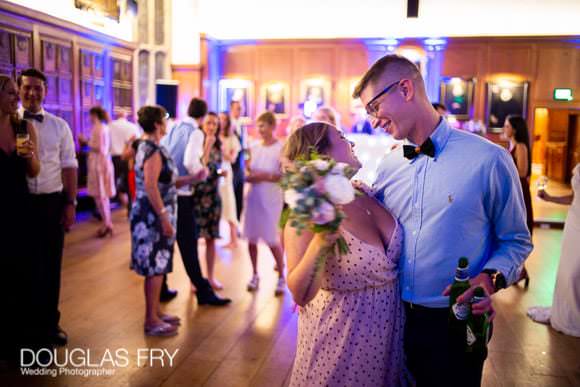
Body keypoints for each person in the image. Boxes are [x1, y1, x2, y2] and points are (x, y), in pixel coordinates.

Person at [353, 54, 532, 386]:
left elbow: (517, 240)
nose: (374, 121)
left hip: (458, 319)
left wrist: (490, 278)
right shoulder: (389, 166)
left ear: (405, 88)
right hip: (392, 317)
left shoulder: (489, 160)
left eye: (374, 107)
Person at [284, 122, 408, 386]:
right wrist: (319, 242)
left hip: (384, 344)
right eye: (341, 137)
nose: (350, 142)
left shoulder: (366, 192)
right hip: (337, 346)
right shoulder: (309, 211)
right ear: (322, 155)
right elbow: (300, 293)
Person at [130, 105, 204, 336]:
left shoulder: (149, 146)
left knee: (158, 267)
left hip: (154, 212)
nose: (167, 123)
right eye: (164, 119)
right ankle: (151, 320)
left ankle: (156, 312)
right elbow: (151, 186)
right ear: (156, 124)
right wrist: (164, 218)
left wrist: (193, 178)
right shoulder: (151, 149)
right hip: (152, 215)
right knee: (155, 266)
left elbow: (167, 183)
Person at [18, 68, 79, 347]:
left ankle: (50, 324)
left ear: (45, 91)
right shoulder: (9, 122)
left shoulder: (59, 126)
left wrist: (70, 203)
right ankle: (24, 326)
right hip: (19, 204)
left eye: (37, 88)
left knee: (51, 264)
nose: (32, 93)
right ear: (19, 90)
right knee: (21, 266)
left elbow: (69, 166)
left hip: (51, 202)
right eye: (27, 87)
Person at [161, 98, 230, 305]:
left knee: (169, 241)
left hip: (167, 191)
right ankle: (203, 290)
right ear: (202, 116)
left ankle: (163, 287)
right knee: (188, 242)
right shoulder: (196, 132)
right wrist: (201, 173)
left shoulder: (174, 127)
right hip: (184, 192)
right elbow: (191, 164)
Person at [0, 75, 40, 362]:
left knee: (19, 273)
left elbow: (34, 171)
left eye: (17, 93)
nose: (17, 98)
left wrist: (28, 156)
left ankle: (17, 339)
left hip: (19, 207)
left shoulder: (22, 126)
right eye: (11, 93)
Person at [528, 165, 580, 337]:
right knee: (568, 270)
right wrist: (550, 198)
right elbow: (574, 197)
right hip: (574, 223)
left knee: (575, 271)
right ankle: (567, 316)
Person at [242, 111, 286, 295]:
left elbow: (284, 175)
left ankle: (282, 276)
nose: (259, 129)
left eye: (263, 125)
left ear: (272, 126)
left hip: (272, 197)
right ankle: (254, 274)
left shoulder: (281, 148)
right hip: (254, 197)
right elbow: (247, 169)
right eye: (258, 125)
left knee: (272, 239)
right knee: (251, 239)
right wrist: (248, 176)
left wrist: (265, 176)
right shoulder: (253, 147)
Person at [193, 112, 225, 290]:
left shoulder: (218, 145)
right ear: (202, 125)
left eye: (215, 124)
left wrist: (221, 172)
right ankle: (195, 279)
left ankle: (211, 277)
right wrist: (206, 145)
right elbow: (199, 169)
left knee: (211, 239)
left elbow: (216, 167)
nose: (212, 127)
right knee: (196, 239)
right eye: (209, 123)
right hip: (198, 197)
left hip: (213, 196)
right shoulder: (196, 143)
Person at [503, 115, 533, 286]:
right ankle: (520, 270)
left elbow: (522, 172)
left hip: (520, 190)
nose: (504, 128)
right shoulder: (511, 145)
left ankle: (521, 270)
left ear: (514, 129)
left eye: (507, 126)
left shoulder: (520, 146)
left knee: (520, 225)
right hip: (513, 190)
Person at [86, 106, 116, 237]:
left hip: (99, 164)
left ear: (94, 115)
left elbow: (100, 148)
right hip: (102, 162)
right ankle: (107, 223)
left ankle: (107, 223)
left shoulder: (99, 128)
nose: (89, 118)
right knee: (101, 196)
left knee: (100, 195)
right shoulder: (104, 127)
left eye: (90, 115)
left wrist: (87, 142)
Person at [109, 109, 140, 214]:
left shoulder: (110, 126)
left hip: (114, 158)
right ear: (125, 116)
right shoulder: (132, 127)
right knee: (129, 184)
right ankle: (130, 207)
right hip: (128, 159)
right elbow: (137, 143)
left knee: (111, 182)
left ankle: (108, 208)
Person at [218, 111, 241, 249]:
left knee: (228, 203)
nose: (221, 122)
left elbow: (232, 159)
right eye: (219, 119)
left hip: (226, 171)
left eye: (224, 119)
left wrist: (222, 150)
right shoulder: (211, 137)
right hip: (214, 171)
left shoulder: (231, 138)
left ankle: (234, 239)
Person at [230, 100, 246, 221]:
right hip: (231, 165)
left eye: (241, 108)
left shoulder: (242, 125)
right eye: (237, 108)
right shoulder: (228, 125)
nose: (240, 111)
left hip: (240, 165)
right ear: (232, 109)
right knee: (232, 196)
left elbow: (244, 146)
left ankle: (238, 222)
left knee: (239, 196)